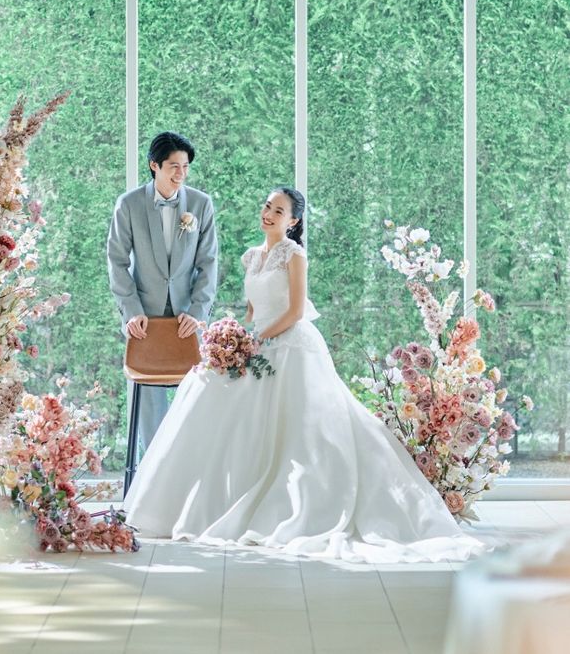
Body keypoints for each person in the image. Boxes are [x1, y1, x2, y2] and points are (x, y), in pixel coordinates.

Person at [123, 187, 485, 563]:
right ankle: (198, 503)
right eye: (267, 206)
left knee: (301, 431)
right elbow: (252, 311)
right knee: (204, 386)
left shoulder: (294, 255)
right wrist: (232, 338)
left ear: (293, 221)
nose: (268, 213)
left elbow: (295, 311)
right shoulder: (251, 256)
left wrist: (258, 340)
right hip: (257, 342)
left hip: (290, 345)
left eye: (278, 211)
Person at [107, 132, 218, 455]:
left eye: (185, 167)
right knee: (148, 399)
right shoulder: (129, 204)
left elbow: (208, 263)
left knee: (195, 395)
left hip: (187, 319)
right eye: (174, 166)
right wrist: (132, 312)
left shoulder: (200, 204)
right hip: (144, 318)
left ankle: (188, 463)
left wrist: (197, 313)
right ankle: (154, 466)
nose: (181, 174)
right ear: (154, 166)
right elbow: (116, 261)